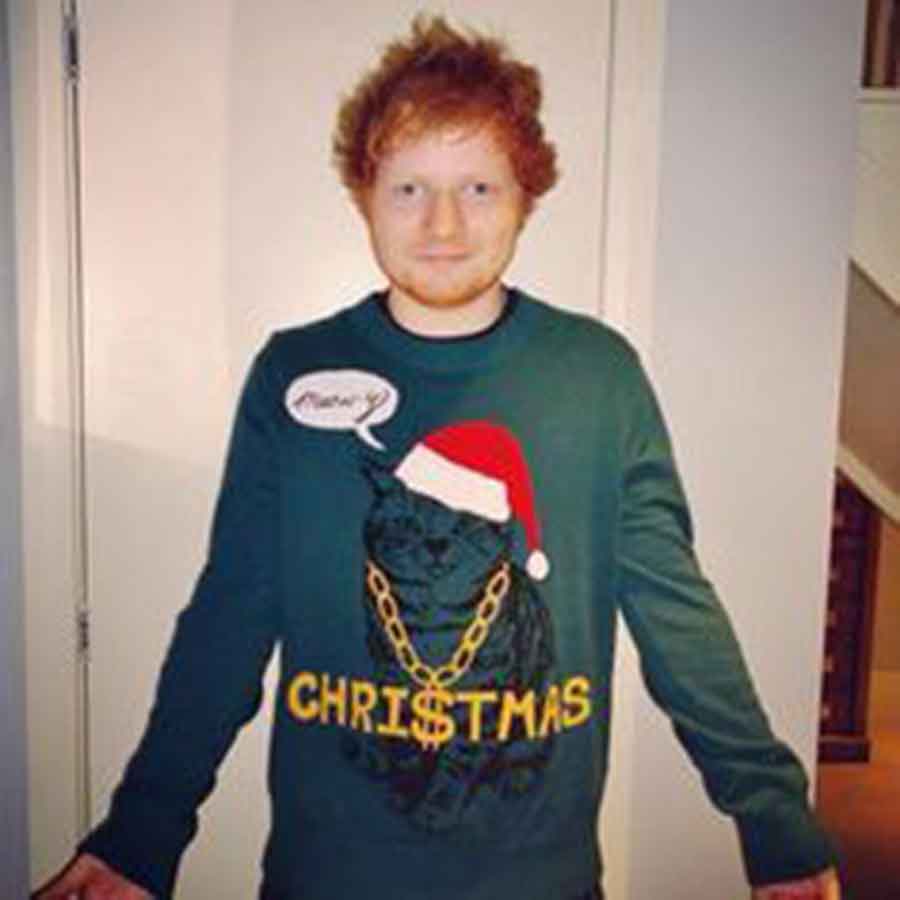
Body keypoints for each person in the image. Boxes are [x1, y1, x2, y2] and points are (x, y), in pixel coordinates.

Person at [35, 15, 841, 900]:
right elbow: (230, 615)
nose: (443, 224)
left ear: (527, 195)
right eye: (410, 187)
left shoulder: (598, 379)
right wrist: (142, 833)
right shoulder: (292, 373)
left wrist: (775, 821)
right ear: (364, 195)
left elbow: (676, 612)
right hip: (326, 880)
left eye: (479, 188)